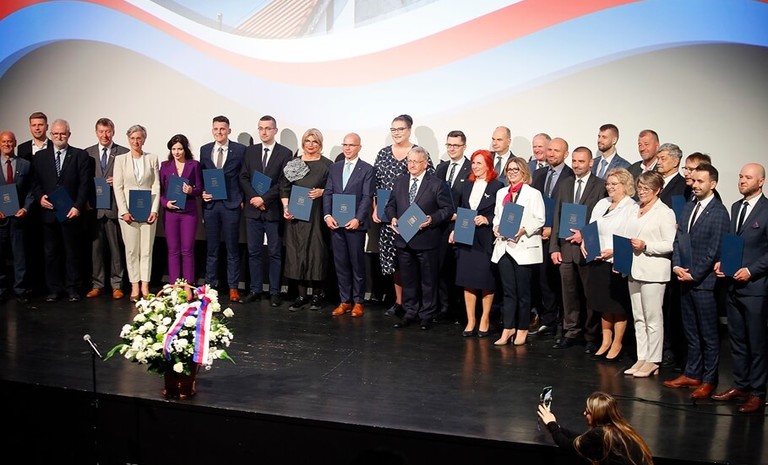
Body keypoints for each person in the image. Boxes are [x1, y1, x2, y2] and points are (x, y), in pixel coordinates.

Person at [664, 164, 729, 399]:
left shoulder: (719, 212)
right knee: (690, 331)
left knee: (708, 334)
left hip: (704, 283)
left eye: (701, 181)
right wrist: (677, 266)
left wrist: (695, 273)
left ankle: (709, 379)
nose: (696, 185)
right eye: (694, 181)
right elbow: (679, 239)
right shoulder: (689, 205)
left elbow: (715, 250)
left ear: (713, 184)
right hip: (684, 278)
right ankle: (692, 373)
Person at [712, 163, 768, 413]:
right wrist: (724, 262)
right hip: (733, 286)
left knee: (756, 342)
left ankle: (758, 392)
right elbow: (733, 243)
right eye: (741, 176)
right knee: (737, 339)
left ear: (761, 181)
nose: (742, 180)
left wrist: (751, 270)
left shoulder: (766, 210)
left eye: (748, 177)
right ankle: (741, 385)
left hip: (755, 288)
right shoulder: (736, 207)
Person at [372, 114, 433, 317]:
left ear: (409, 130)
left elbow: (430, 185)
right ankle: (400, 302)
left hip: (413, 218)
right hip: (390, 216)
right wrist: (375, 208)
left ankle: (417, 304)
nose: (396, 133)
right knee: (393, 262)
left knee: (412, 261)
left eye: (400, 129)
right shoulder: (383, 154)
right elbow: (376, 184)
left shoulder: (419, 153)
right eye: (393, 129)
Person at [387, 146, 453, 330]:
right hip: (404, 239)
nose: (412, 165)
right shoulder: (400, 181)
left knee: (428, 280)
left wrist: (432, 219)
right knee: (408, 279)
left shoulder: (436, 184)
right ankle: (410, 312)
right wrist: (392, 217)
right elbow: (390, 205)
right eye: (409, 161)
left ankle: (427, 314)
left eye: (416, 162)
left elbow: (447, 209)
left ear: (425, 164)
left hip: (427, 240)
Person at [550, 146, 607, 353]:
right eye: (574, 161)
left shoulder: (600, 185)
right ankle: (571, 331)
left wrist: (584, 235)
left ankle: (591, 335)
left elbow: (602, 219)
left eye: (581, 161)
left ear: (591, 163)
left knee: (590, 294)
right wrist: (554, 247)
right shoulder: (565, 184)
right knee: (569, 294)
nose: (576, 165)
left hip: (587, 248)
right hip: (566, 248)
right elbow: (557, 216)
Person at [621, 171, 676, 378]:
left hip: (653, 271)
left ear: (657, 190)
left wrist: (646, 246)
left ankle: (653, 360)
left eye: (646, 189)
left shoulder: (665, 213)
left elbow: (670, 244)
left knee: (653, 318)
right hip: (634, 269)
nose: (642, 192)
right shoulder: (634, 208)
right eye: (640, 188)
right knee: (638, 317)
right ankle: (642, 357)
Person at [32, 118, 93, 302]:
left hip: (70, 213)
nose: (59, 136)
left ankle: (73, 288)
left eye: (63, 133)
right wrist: (40, 197)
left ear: (69, 134)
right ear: (51, 135)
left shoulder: (80, 155)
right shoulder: (40, 157)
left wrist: (77, 206)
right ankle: (54, 289)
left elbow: (84, 184)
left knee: (72, 253)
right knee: (51, 253)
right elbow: (35, 183)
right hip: (49, 213)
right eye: (56, 133)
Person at [239, 115, 293, 306]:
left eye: (268, 128)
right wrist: (255, 198)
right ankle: (255, 289)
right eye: (261, 128)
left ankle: (275, 291)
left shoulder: (285, 153)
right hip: (253, 210)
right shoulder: (250, 151)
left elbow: (283, 182)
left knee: (274, 252)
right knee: (253, 251)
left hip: (272, 210)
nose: (264, 132)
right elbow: (243, 177)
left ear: (275, 130)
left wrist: (264, 199)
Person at [490, 156, 544, 345]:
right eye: (509, 170)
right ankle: (508, 328)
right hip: (504, 247)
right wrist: (496, 227)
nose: (512, 173)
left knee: (523, 292)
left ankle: (522, 328)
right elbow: (497, 216)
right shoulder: (502, 193)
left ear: (524, 172)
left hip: (524, 248)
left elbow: (540, 219)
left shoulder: (533, 194)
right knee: (508, 292)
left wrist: (523, 230)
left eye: (516, 170)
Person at [448, 149, 502, 337]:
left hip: (485, 238)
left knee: (486, 281)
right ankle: (471, 320)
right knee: (467, 280)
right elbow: (461, 210)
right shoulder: (466, 185)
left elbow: (500, 212)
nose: (475, 166)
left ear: (488, 165)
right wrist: (454, 230)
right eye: (473, 163)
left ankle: (485, 318)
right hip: (466, 237)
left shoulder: (497, 186)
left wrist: (487, 219)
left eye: (479, 163)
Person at [584, 168, 634, 361]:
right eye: (608, 184)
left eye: (614, 184)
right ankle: (606, 341)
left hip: (616, 261)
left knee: (617, 305)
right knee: (603, 303)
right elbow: (591, 228)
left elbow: (629, 235)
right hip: (598, 261)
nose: (610, 187)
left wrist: (613, 251)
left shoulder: (631, 207)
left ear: (625, 185)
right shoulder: (602, 203)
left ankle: (617, 343)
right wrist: (585, 242)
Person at [280, 128, 333, 311]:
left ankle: (317, 295)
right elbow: (284, 188)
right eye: (307, 141)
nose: (310, 145)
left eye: (314, 141)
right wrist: (286, 208)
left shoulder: (327, 165)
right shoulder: (295, 163)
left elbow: (335, 188)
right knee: (296, 253)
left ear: (320, 144)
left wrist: (322, 192)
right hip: (296, 216)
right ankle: (301, 296)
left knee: (316, 253)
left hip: (317, 215)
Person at [324, 133, 374, 317]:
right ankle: (345, 301)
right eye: (344, 144)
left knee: (357, 263)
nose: (347, 148)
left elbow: (367, 197)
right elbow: (328, 192)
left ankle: (358, 301)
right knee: (341, 264)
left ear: (359, 147)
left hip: (355, 225)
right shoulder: (334, 167)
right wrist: (327, 215)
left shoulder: (367, 169)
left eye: (351, 145)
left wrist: (358, 219)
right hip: (336, 224)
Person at [199, 115, 247, 303]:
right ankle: (210, 286)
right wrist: (203, 192)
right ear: (212, 130)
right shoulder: (204, 150)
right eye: (216, 129)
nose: (219, 132)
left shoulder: (240, 150)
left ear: (229, 130)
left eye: (222, 129)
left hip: (231, 204)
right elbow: (202, 176)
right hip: (211, 205)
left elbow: (244, 176)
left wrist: (242, 199)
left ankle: (233, 287)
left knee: (232, 248)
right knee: (211, 248)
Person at [530, 137, 574, 338]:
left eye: (557, 151)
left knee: (559, 282)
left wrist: (553, 229)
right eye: (550, 150)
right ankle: (547, 320)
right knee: (542, 280)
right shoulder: (538, 174)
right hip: (537, 235)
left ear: (565, 154)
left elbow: (569, 209)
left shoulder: (570, 176)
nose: (551, 154)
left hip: (559, 237)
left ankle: (562, 323)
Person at [537, 391, 655, 465]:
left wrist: (551, 424)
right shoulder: (621, 428)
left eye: (588, 412)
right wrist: (557, 427)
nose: (584, 414)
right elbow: (582, 438)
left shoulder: (600, 433)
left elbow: (567, 445)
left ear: (597, 415)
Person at [113, 124, 160, 301]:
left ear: (144, 139)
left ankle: (145, 285)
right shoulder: (120, 160)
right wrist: (124, 211)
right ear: (128, 139)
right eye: (132, 138)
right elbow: (118, 187)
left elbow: (156, 185)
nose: (136, 141)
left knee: (146, 250)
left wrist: (154, 209)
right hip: (128, 214)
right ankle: (134, 285)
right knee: (132, 250)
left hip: (148, 212)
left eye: (139, 138)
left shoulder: (152, 158)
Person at [84, 118, 129, 300]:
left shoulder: (123, 153)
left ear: (113, 131)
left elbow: (130, 179)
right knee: (96, 250)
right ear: (96, 133)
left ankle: (117, 285)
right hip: (94, 208)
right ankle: (98, 284)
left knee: (116, 249)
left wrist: (118, 180)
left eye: (108, 131)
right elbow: (84, 181)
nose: (105, 135)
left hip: (114, 207)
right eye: (101, 131)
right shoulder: (87, 153)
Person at [434, 130, 471, 323]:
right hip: (441, 225)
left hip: (461, 224)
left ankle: (461, 310)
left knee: (460, 268)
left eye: (456, 145)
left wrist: (459, 217)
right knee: (442, 267)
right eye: (449, 145)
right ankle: (444, 307)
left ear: (464, 146)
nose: (452, 148)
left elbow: (472, 200)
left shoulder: (471, 168)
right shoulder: (441, 168)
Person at [159, 134, 202, 286]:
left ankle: (188, 285)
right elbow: (160, 191)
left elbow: (199, 188)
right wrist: (165, 203)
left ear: (185, 149)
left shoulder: (194, 165)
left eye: (180, 149)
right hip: (170, 214)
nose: (176, 152)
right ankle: (174, 285)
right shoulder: (165, 166)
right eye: (173, 149)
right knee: (173, 251)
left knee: (187, 250)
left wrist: (191, 190)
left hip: (188, 213)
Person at [0, 131, 33, 304]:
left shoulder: (25, 165)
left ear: (15, 143)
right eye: (4, 141)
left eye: (10, 141)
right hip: (0, 219)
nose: (7, 144)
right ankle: (1, 290)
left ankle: (20, 290)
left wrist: (26, 208)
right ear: (0, 144)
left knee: (20, 256)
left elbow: (30, 191)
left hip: (18, 218)